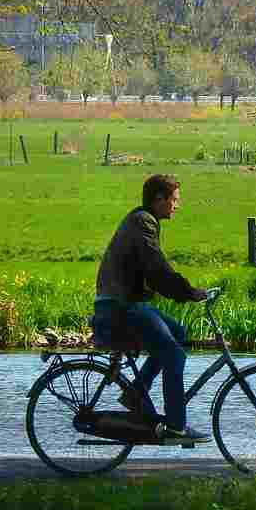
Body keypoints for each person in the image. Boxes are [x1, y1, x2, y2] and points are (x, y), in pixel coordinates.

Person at [93, 173, 210, 443]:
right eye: (174, 200)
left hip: (124, 303)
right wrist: (189, 292)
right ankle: (176, 427)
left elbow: (155, 270)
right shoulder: (143, 222)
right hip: (120, 306)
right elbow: (156, 268)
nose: (177, 206)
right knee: (175, 356)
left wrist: (184, 291)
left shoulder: (143, 220)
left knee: (178, 333)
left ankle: (136, 393)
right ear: (159, 199)